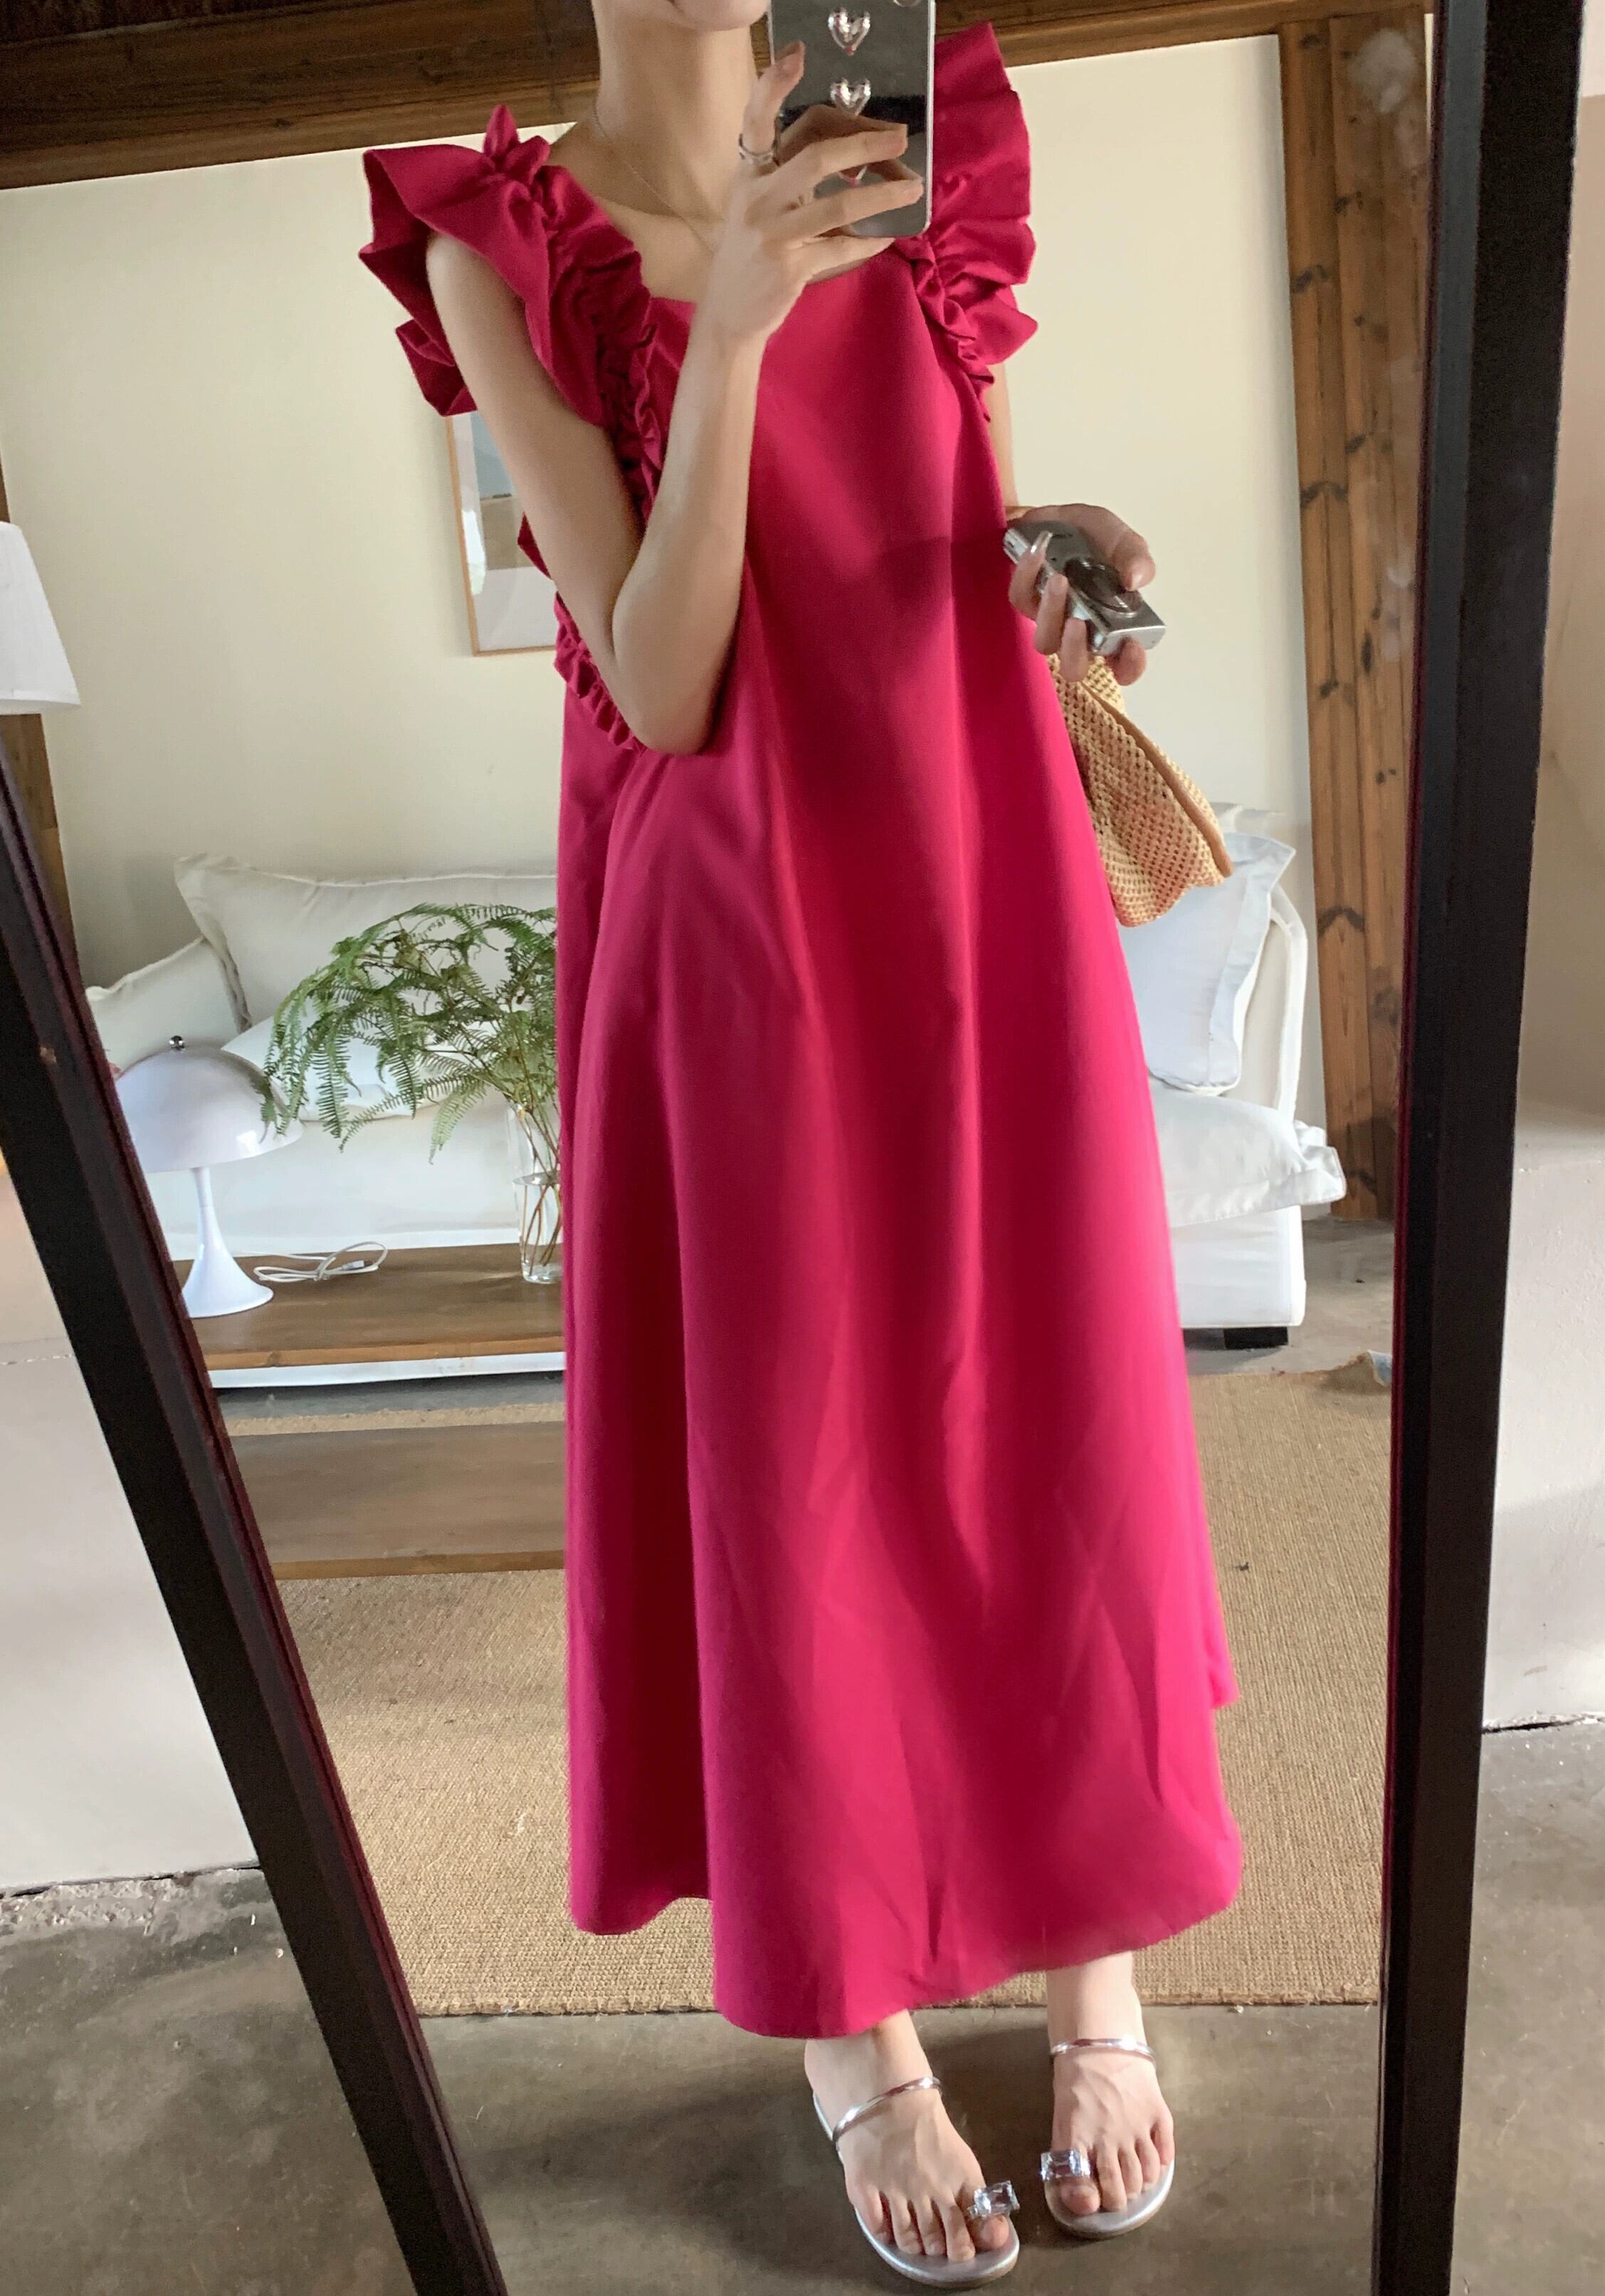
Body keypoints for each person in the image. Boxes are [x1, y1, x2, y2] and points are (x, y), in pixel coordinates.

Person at [362, 5, 1241, 2281]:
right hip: (733, 923)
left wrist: (1062, 556)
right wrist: (734, 323)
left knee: (1050, 1411)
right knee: (797, 1462)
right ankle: (856, 2027)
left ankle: (1096, 1977)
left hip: (975, 862)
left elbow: (948, 517)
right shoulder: (499, 246)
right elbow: (658, 679)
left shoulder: (916, 149)